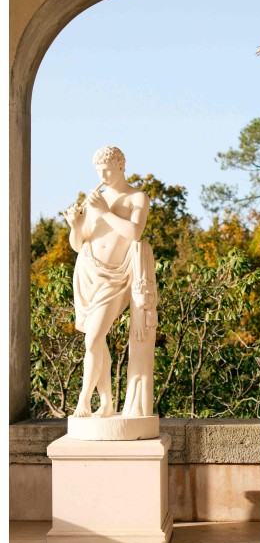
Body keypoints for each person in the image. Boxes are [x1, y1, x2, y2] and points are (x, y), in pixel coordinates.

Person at [64, 146, 154, 417]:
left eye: (107, 170)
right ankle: (106, 403)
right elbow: (78, 244)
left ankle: (83, 399)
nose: (102, 176)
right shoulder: (96, 199)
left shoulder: (137, 197)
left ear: (121, 166)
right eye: (98, 171)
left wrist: (103, 212)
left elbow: (135, 233)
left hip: (115, 278)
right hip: (87, 272)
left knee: (93, 338)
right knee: (96, 339)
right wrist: (75, 225)